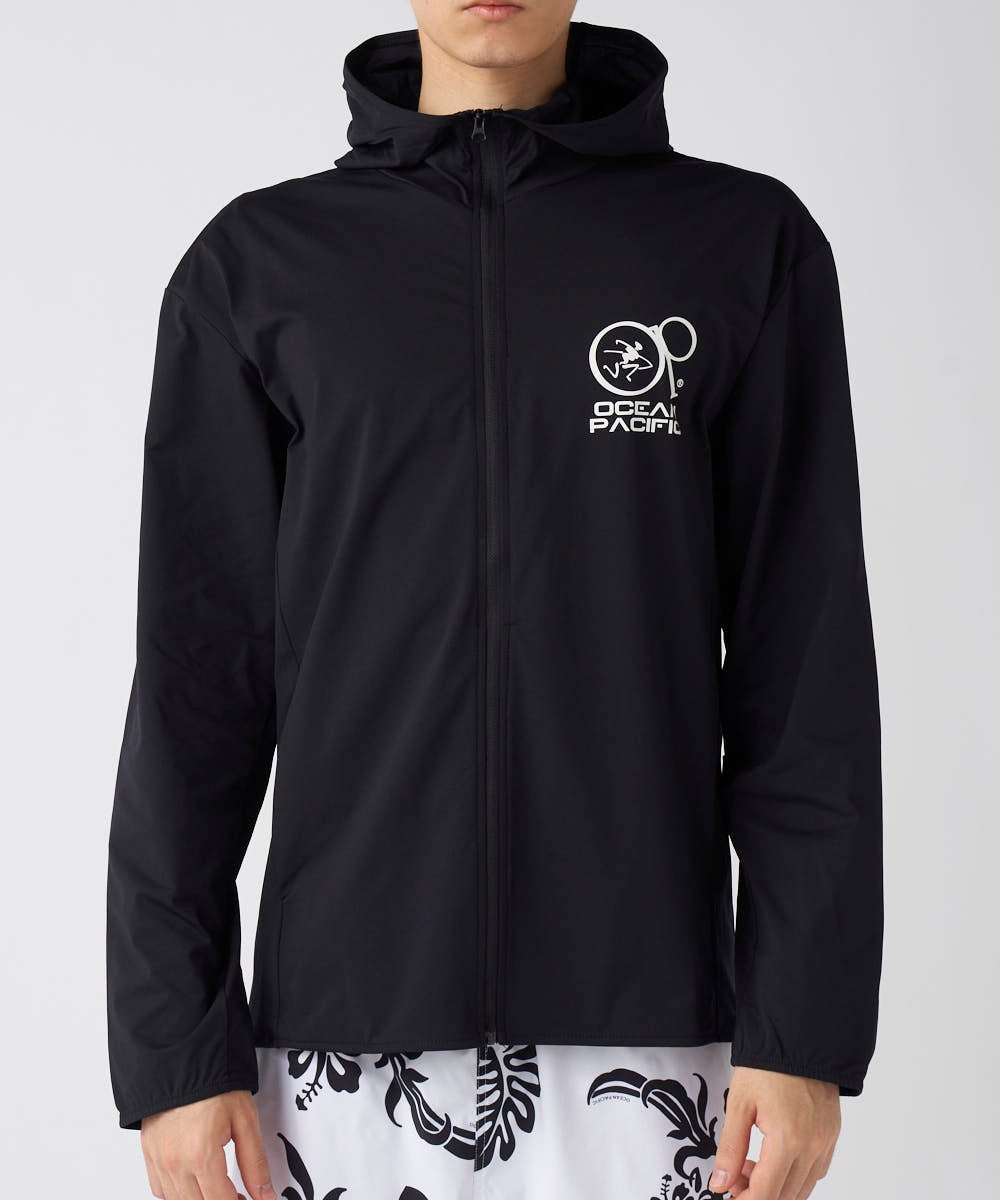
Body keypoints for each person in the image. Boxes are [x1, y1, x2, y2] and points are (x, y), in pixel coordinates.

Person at [105, 2, 884, 1198]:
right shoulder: (259, 263)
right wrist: (173, 1047)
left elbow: (804, 669)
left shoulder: (739, 243)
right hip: (339, 1049)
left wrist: (802, 1030)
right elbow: (196, 683)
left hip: (658, 1047)